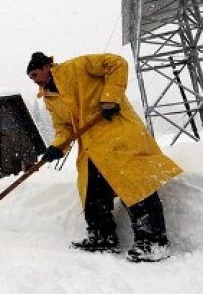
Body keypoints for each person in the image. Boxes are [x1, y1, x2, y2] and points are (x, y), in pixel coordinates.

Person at [27, 52, 182, 262]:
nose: (34, 79)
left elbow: (117, 63)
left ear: (46, 66)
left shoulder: (77, 67)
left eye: (35, 73)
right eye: (31, 77)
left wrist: (110, 98)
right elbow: (63, 127)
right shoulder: (49, 97)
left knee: (133, 184)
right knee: (93, 191)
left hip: (116, 133)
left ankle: (154, 243)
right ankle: (102, 237)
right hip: (91, 146)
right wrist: (56, 147)